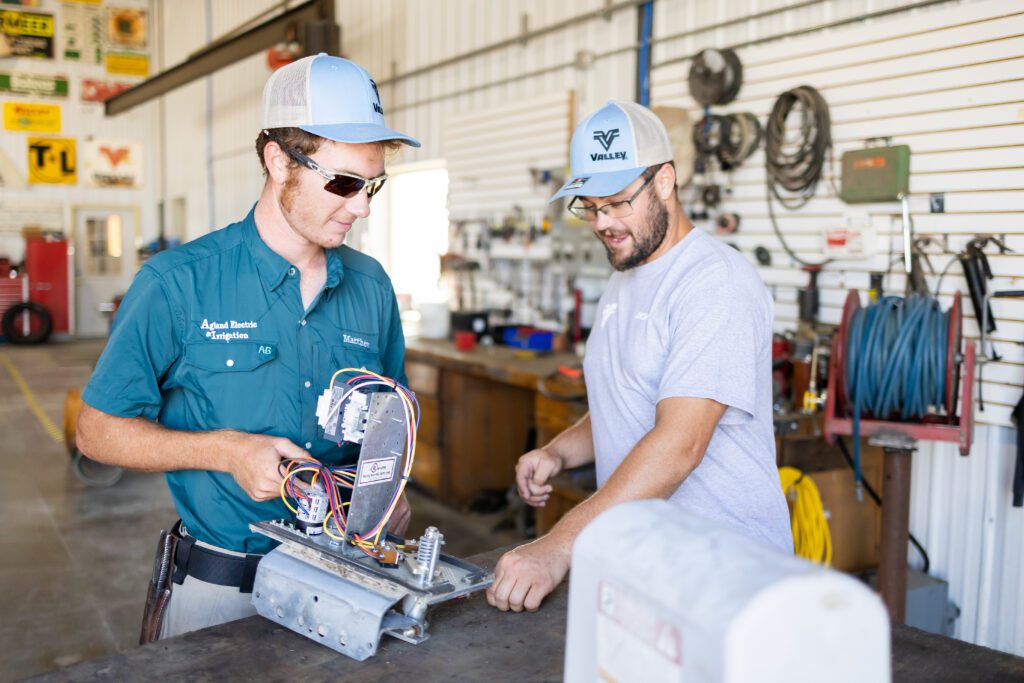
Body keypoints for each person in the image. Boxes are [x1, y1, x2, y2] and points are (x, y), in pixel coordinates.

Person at [76, 54, 420, 639]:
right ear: (278, 159)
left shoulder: (371, 286)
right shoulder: (177, 284)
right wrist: (227, 451)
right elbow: (96, 432)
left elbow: (391, 420)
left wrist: (389, 491)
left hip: (348, 584)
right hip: (221, 594)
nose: (361, 207)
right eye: (343, 183)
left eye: (373, 185)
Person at [486, 101, 793, 613]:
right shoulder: (624, 277)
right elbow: (626, 400)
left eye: (618, 202)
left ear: (666, 181)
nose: (603, 222)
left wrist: (560, 545)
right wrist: (560, 452)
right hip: (647, 567)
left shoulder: (715, 283)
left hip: (724, 578)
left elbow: (679, 444)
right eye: (590, 205)